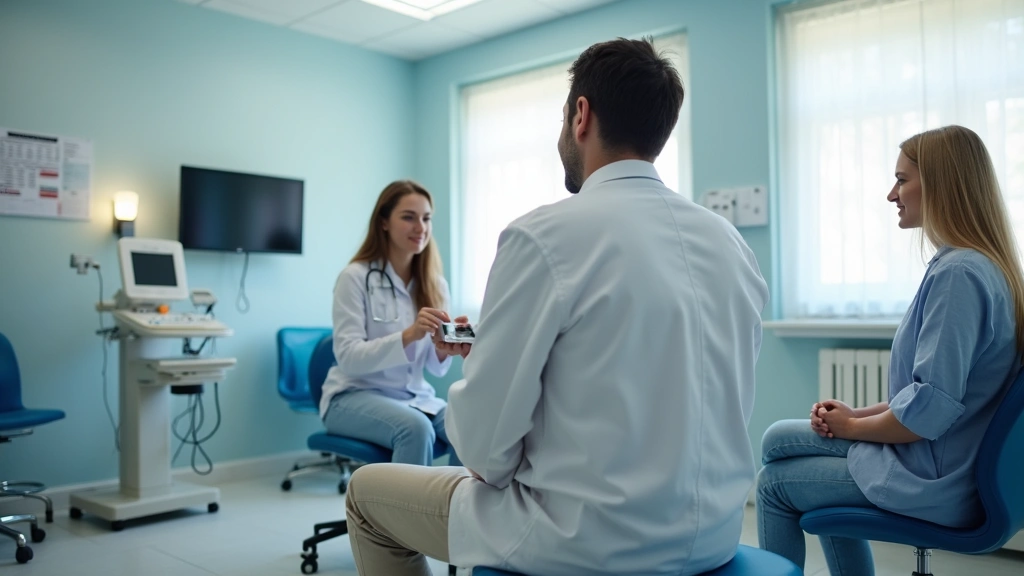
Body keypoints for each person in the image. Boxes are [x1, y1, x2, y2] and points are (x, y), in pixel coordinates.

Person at [343, 37, 769, 576]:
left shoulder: (543, 236)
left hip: (585, 538)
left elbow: (483, 452)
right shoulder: (730, 244)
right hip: (715, 533)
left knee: (366, 493)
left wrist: (489, 373)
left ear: (580, 115)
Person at [756, 125, 1024, 576]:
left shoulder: (959, 274)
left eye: (902, 180)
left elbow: (929, 412)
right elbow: (931, 395)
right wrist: (855, 416)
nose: (891, 194)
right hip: (944, 462)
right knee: (777, 438)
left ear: (940, 184)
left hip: (935, 482)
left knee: (773, 484)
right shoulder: (982, 266)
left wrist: (851, 428)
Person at [320, 180, 461, 467]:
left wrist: (444, 347)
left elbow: (435, 368)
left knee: (468, 425)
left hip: (413, 397)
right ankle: (406, 499)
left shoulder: (436, 286)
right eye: (408, 217)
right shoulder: (354, 278)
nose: (420, 227)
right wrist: (409, 335)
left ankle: (457, 499)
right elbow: (348, 359)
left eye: (426, 218)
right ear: (383, 222)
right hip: (352, 396)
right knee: (415, 429)